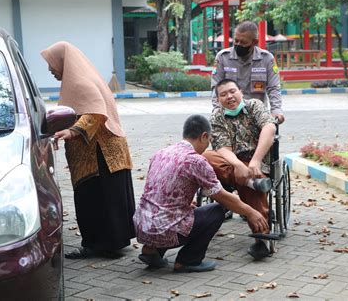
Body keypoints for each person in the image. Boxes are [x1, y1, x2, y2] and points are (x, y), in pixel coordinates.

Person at [133, 115, 268, 272]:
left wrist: (184, 203)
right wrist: (250, 212)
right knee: (217, 210)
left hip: (142, 226)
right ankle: (188, 260)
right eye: (208, 140)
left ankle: (151, 251)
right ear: (204, 136)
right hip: (165, 229)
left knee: (178, 213)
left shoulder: (161, 153)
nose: (207, 146)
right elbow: (222, 196)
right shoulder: (196, 161)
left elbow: (158, 191)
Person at [42, 41, 136, 258]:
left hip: (99, 154)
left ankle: (97, 245)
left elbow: (95, 114)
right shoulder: (80, 79)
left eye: (52, 65)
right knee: (106, 198)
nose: (50, 70)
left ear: (64, 62)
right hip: (103, 151)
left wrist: (72, 131)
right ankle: (112, 243)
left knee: (94, 197)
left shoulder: (80, 83)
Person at [204, 79, 276, 260]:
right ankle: (251, 183)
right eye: (223, 94)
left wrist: (255, 161)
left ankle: (261, 239)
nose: (229, 96)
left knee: (250, 184)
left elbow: (269, 128)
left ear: (240, 92)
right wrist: (237, 165)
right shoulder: (217, 116)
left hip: (257, 165)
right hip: (231, 165)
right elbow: (222, 148)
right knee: (206, 157)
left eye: (232, 91)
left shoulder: (254, 106)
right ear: (218, 99)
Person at [211, 21, 285, 124]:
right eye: (236, 41)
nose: (238, 44)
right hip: (230, 116)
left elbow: (273, 88)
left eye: (243, 42)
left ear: (254, 42)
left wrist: (276, 110)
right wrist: (217, 111)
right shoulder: (223, 57)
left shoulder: (267, 59)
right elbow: (215, 88)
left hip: (257, 117)